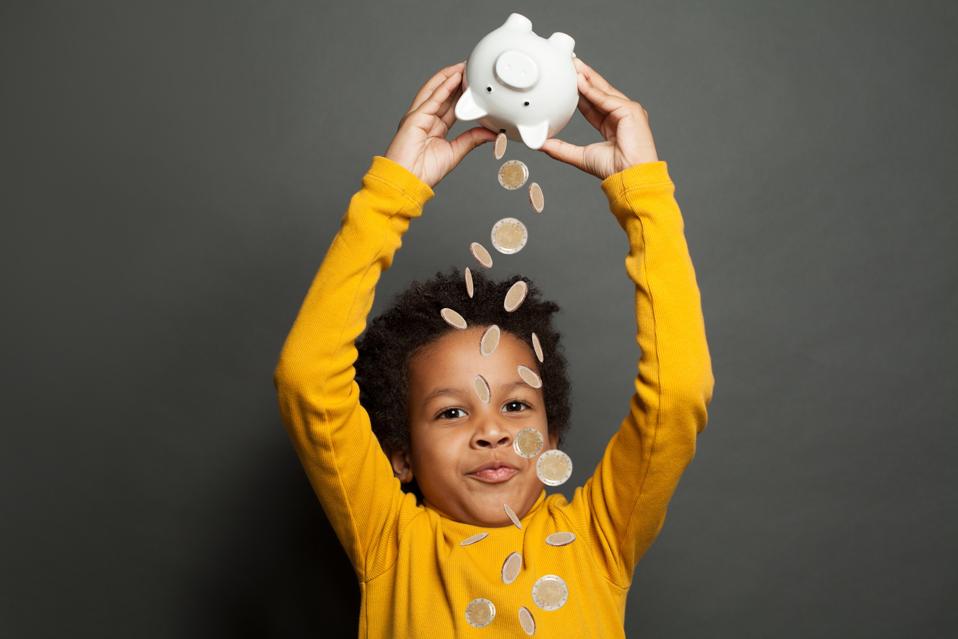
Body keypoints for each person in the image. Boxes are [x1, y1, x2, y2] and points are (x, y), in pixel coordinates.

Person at [272, 57, 715, 637]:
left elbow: (678, 393)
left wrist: (643, 195)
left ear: (552, 437)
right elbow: (308, 377)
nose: (493, 432)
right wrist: (393, 193)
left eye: (516, 405)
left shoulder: (598, 539)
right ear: (401, 455)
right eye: (452, 411)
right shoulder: (392, 543)